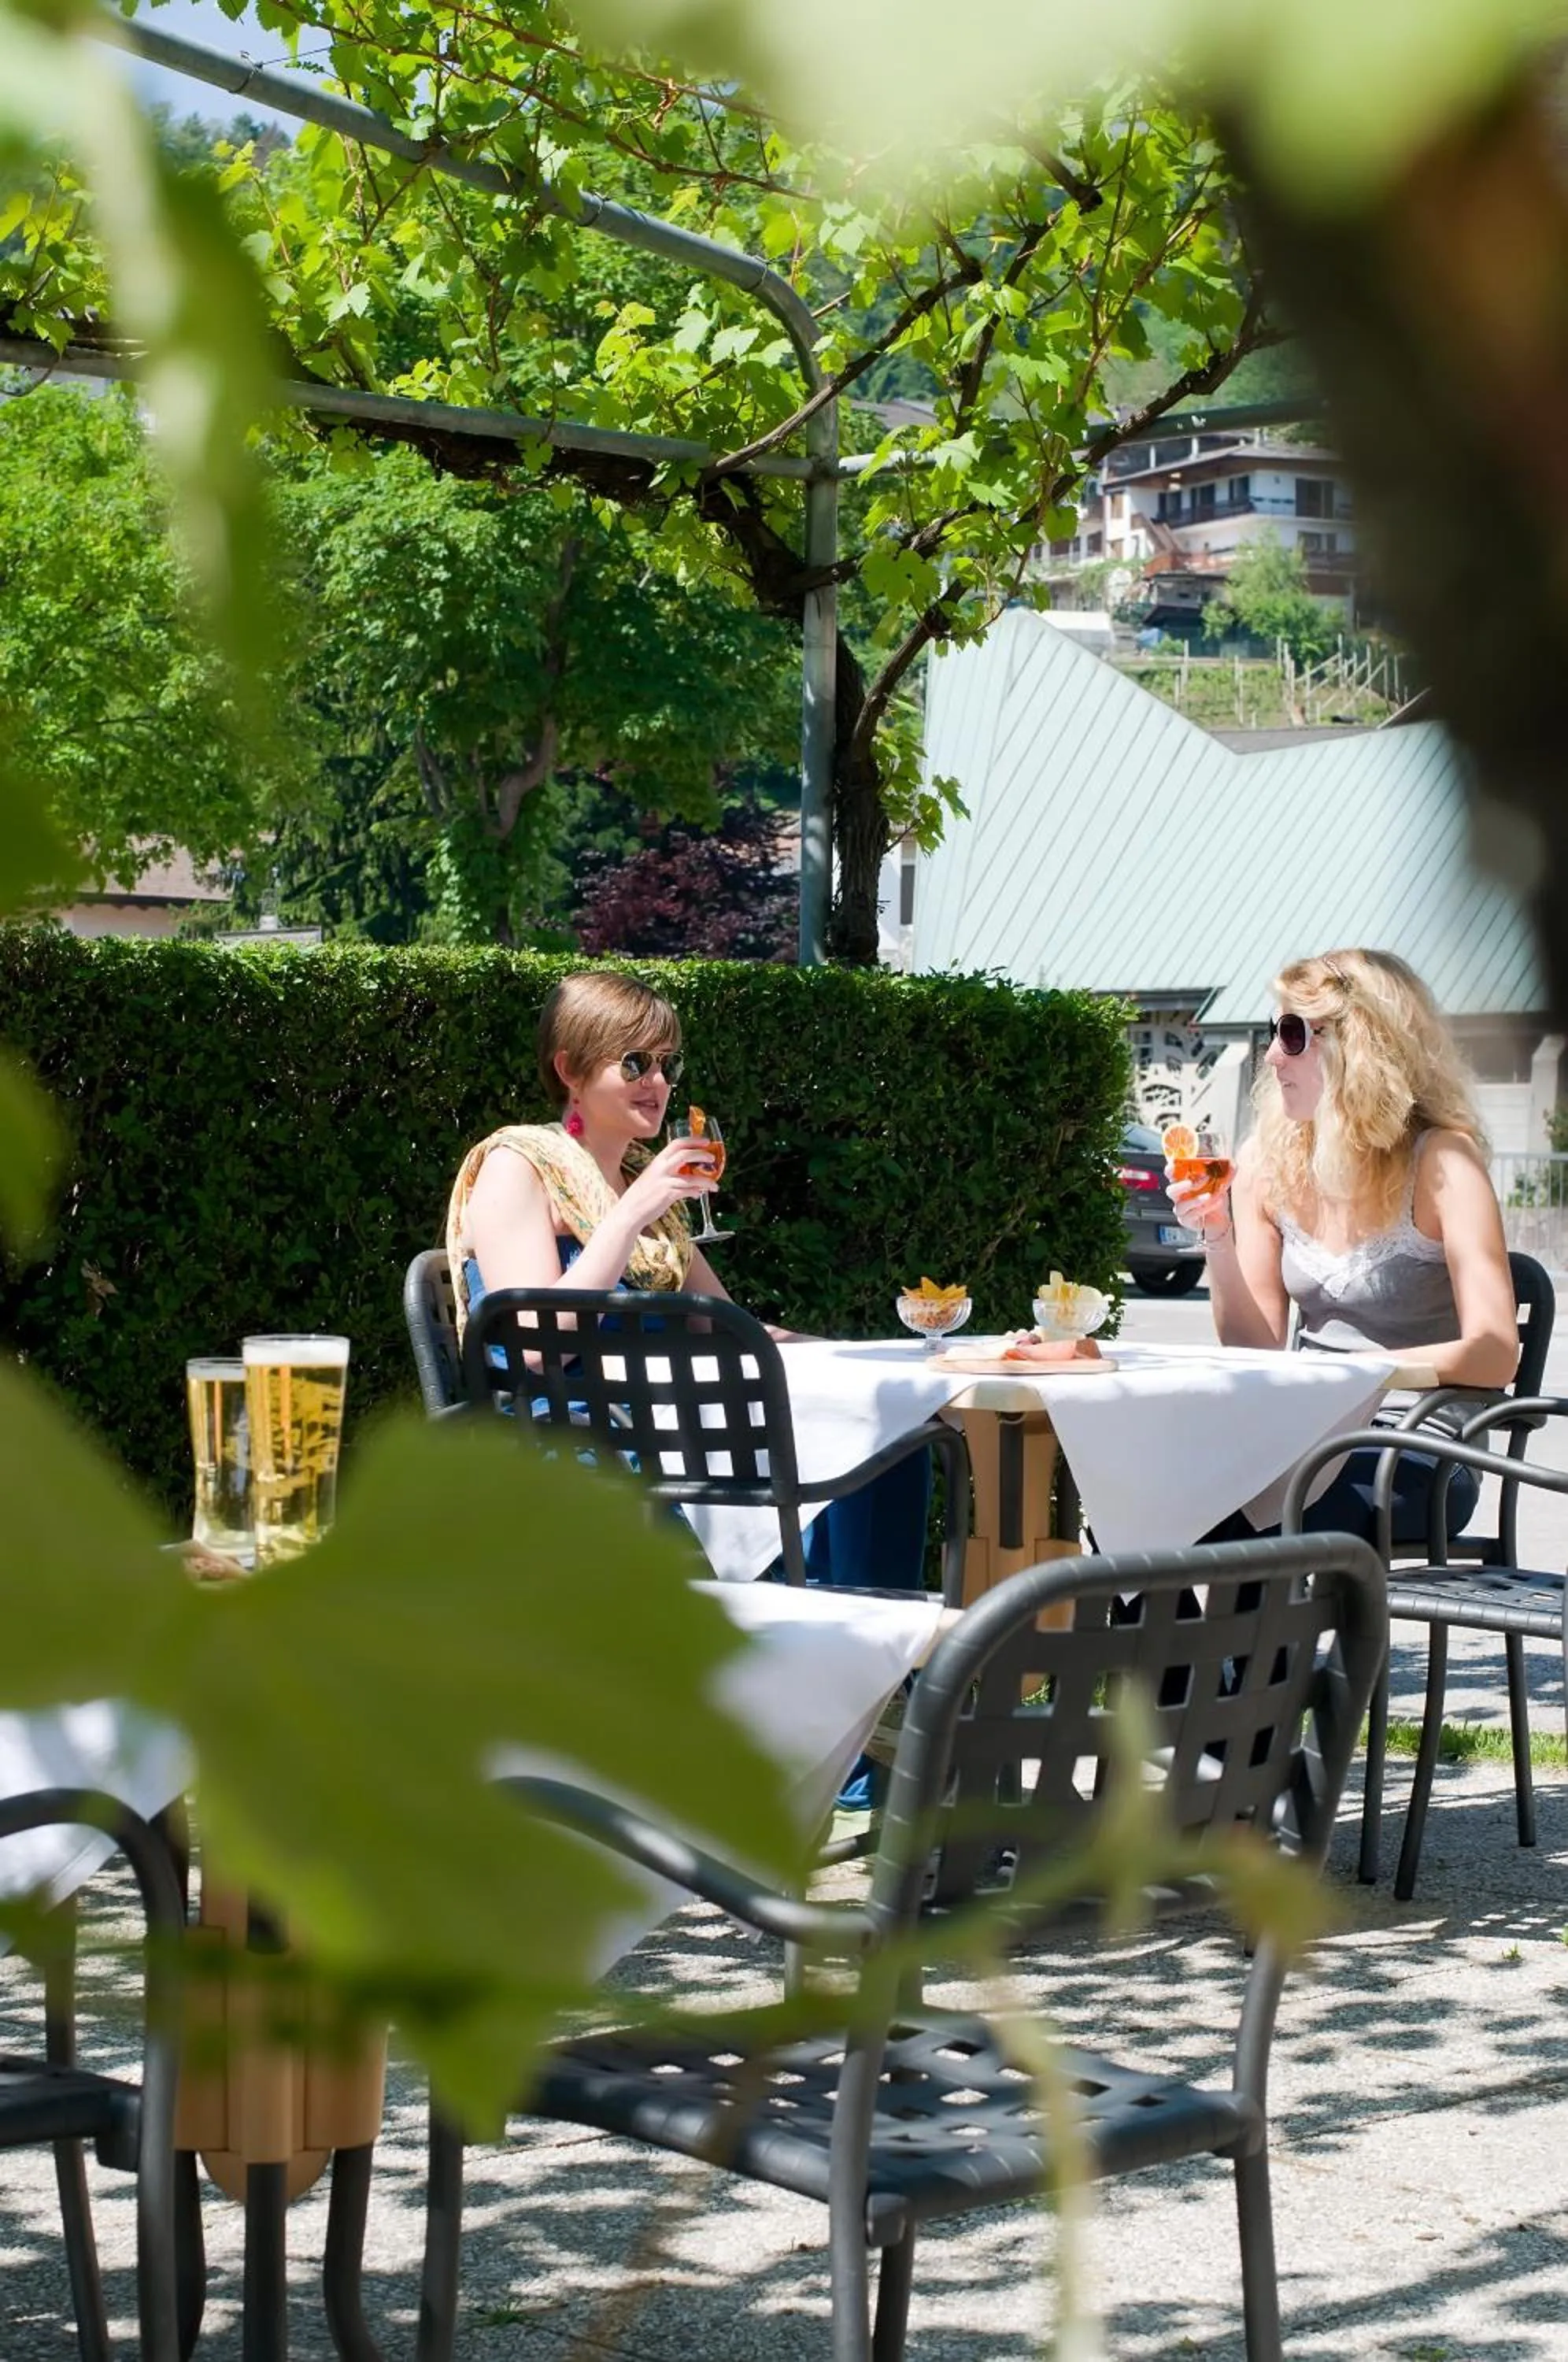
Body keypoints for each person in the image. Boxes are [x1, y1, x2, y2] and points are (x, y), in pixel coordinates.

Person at [444, 969, 931, 1599]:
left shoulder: (641, 1181)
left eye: (668, 1064)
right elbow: (538, 1346)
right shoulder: (518, 1165)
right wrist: (630, 1214)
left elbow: (727, 1325)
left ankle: (861, 1634)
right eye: (636, 1063)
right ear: (569, 1069)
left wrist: (878, 1363)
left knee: (891, 1436)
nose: (658, 1083)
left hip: (683, 1427)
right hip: (580, 1437)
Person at [1169, 948, 1518, 1546]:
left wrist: (1352, 1376)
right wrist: (1217, 1235)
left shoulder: (1443, 1162)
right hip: (1301, 1431)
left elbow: (1494, 1355)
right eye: (1274, 1032)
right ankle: (1191, 1616)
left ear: (1363, 1045)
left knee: (1267, 1519)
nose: (1272, 1056)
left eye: (1292, 1034)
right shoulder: (1267, 1164)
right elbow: (1256, 1349)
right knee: (1149, 1496)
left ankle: (1252, 1613)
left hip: (1420, 1444)